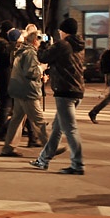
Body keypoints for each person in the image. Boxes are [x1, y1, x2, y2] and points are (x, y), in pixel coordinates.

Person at [30, 17, 87, 175]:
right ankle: (43, 159)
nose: (60, 33)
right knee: (57, 128)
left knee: (70, 130)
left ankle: (78, 165)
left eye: (61, 31)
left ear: (64, 32)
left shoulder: (63, 44)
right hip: (77, 90)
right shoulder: (79, 45)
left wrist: (43, 44)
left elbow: (43, 57)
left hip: (65, 91)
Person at [1, 31, 49, 157]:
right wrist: (41, 68)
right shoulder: (31, 53)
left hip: (18, 90)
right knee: (39, 120)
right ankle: (50, 146)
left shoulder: (20, 51)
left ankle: (8, 147)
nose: (40, 43)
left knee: (16, 119)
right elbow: (30, 72)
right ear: (34, 41)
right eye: (39, 40)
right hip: (28, 91)